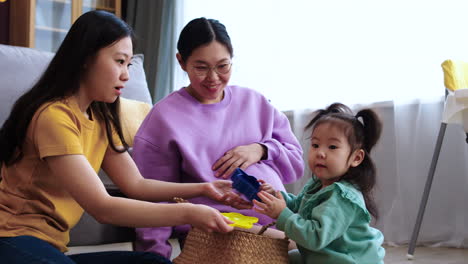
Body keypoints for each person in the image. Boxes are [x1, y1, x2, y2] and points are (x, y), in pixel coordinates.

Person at [0, 11, 247, 264]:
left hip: (50, 250)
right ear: (86, 58)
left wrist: (203, 189)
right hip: (10, 239)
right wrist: (189, 213)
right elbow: (102, 208)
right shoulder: (54, 116)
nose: (126, 75)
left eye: (128, 64)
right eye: (119, 61)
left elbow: (137, 185)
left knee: (152, 263)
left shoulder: (101, 118)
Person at [132, 17, 304, 258]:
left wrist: (262, 149)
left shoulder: (255, 102)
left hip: (283, 218)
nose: (213, 78)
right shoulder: (164, 119)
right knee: (325, 247)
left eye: (223, 66)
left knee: (341, 235)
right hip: (221, 233)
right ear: (181, 62)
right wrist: (155, 256)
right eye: (201, 68)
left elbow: (296, 164)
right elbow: (153, 197)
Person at [253, 103, 386, 264]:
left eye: (332, 147)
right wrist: (277, 197)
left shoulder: (343, 198)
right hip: (322, 257)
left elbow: (315, 237)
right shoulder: (317, 183)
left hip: (347, 260)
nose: (321, 153)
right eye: (315, 145)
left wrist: (282, 214)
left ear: (356, 158)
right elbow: (299, 206)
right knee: (281, 257)